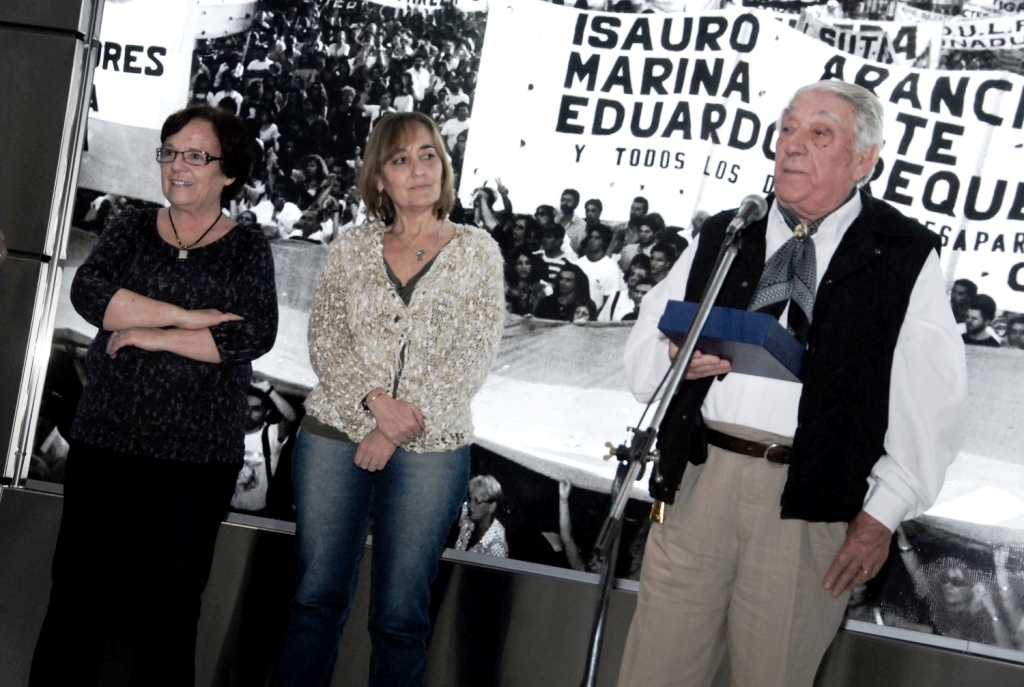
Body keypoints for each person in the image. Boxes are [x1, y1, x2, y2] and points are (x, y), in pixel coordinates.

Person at [617, 80, 967, 687]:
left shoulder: (901, 253)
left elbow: (934, 404)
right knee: (654, 672)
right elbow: (644, 347)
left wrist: (880, 515)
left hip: (808, 506)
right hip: (698, 484)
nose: (792, 145)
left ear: (864, 160)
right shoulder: (728, 233)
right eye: (786, 129)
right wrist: (674, 361)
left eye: (819, 133)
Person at [30, 104, 278, 687]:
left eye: (195, 155)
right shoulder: (131, 228)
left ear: (229, 172)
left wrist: (148, 332)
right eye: (169, 152)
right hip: (107, 443)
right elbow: (90, 293)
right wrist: (186, 318)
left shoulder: (247, 247)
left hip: (197, 460)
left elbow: (251, 334)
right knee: (76, 599)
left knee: (170, 612)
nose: (177, 166)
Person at [275, 111, 504, 687]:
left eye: (428, 155)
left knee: (401, 619)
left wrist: (393, 431)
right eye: (401, 159)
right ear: (379, 178)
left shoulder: (478, 251)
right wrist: (376, 402)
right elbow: (326, 338)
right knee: (314, 603)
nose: (419, 169)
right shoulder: (351, 247)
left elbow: (472, 357)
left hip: (434, 448)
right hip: (334, 436)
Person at [454, 474, 509, 557]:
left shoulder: (496, 547)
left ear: (492, 506)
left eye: (477, 501)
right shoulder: (467, 516)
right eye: (470, 499)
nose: (470, 505)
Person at [505, 247, 548, 316]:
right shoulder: (507, 288)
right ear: (514, 267)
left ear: (532, 266)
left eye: (527, 263)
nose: (524, 267)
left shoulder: (539, 288)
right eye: (519, 263)